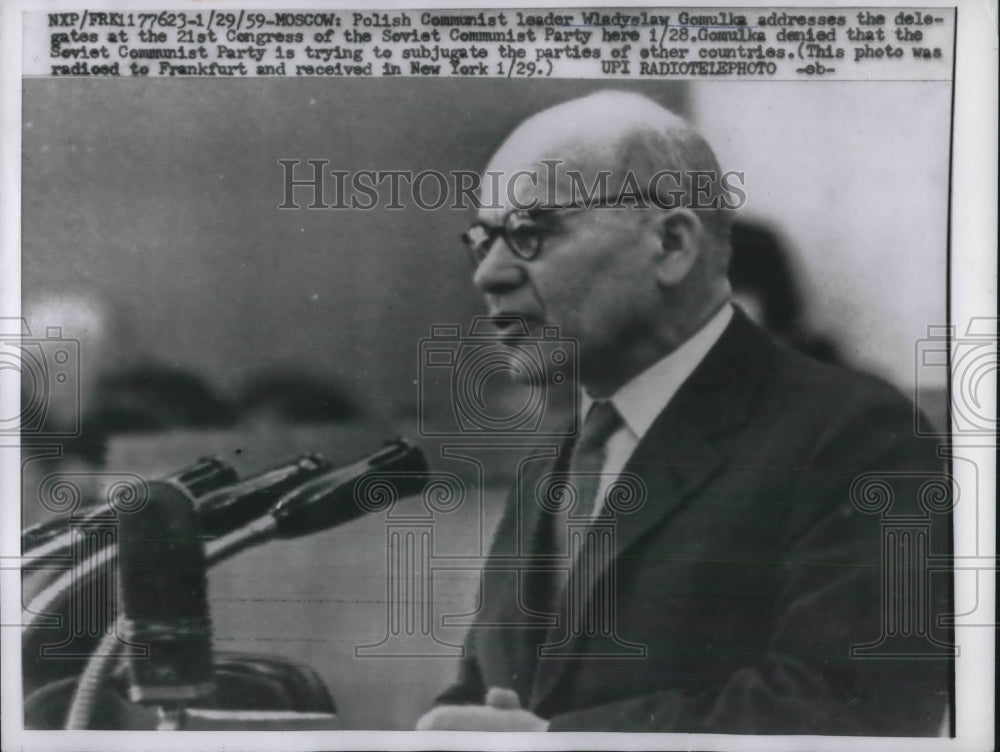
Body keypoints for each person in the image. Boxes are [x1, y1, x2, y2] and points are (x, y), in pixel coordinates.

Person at [416, 91, 952, 735]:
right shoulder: (554, 461)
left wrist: (557, 746)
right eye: (483, 240)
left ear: (671, 244)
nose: (489, 274)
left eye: (531, 232)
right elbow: (492, 691)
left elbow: (858, 712)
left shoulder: (852, 436)